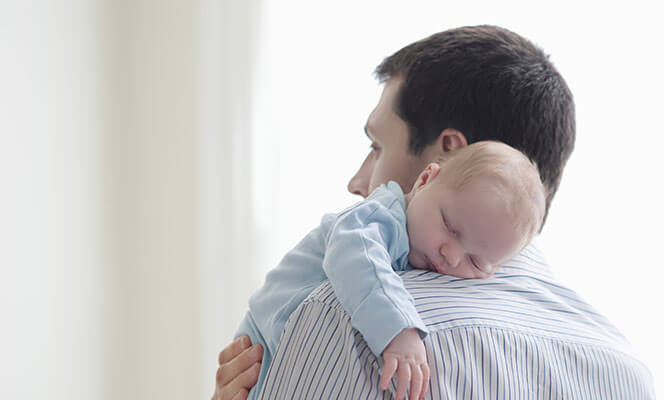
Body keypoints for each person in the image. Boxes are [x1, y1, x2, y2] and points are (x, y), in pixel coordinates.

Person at [214, 25, 655, 399]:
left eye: (377, 147)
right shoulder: (627, 368)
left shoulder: (349, 316)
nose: (356, 183)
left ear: (441, 160)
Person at [235, 141, 546, 400]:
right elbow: (355, 260)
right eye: (450, 227)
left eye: (475, 262)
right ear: (425, 180)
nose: (451, 256)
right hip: (262, 340)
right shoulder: (375, 217)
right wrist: (398, 331)